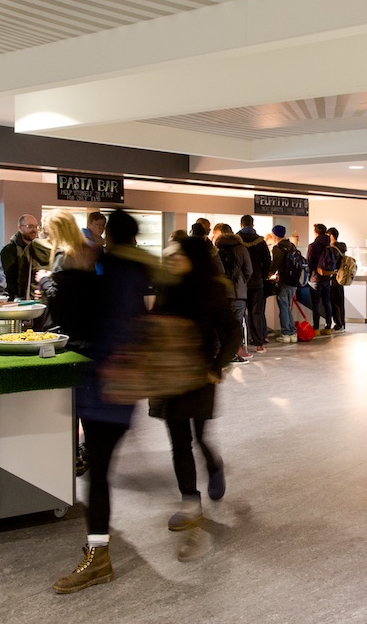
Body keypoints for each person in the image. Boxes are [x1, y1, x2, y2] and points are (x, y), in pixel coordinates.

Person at [52, 210, 153, 594]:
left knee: (97, 476)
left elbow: (79, 321)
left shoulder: (110, 273)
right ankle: (98, 548)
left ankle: (99, 557)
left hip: (105, 386)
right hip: (116, 386)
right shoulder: (132, 272)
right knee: (97, 472)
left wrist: (71, 276)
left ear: (109, 235)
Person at [150, 236, 240, 562]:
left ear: (193, 259)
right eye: (170, 256)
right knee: (179, 442)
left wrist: (218, 366)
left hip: (200, 376)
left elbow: (233, 332)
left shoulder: (210, 291)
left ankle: (214, 465)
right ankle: (190, 501)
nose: (172, 260)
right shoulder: (166, 287)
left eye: (179, 256)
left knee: (199, 436)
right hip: (169, 375)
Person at [36, 209, 100, 338]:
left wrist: (44, 280)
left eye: (48, 233)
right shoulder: (87, 252)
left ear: (59, 232)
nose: (48, 238)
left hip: (62, 328)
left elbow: (57, 296)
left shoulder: (64, 256)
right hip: (84, 327)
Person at [214, 223, 253, 362]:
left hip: (222, 292)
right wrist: (242, 281)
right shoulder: (241, 248)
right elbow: (249, 270)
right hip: (238, 292)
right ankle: (236, 351)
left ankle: (219, 350)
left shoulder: (216, 248)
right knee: (236, 323)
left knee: (220, 323)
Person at [237, 215, 271, 353]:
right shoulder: (260, 242)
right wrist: (263, 276)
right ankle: (259, 344)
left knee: (240, 314)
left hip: (241, 283)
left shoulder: (237, 241)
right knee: (256, 313)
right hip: (257, 283)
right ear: (253, 224)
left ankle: (240, 345)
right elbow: (267, 262)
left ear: (241, 224)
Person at [0, 213, 43, 299]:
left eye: (36, 226)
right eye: (30, 226)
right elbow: (10, 279)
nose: (34, 230)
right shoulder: (10, 250)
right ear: (20, 228)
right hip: (17, 298)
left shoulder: (39, 249)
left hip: (35, 296)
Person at [269, 225, 299, 343]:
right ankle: (292, 332)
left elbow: (275, 265)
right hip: (293, 282)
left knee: (283, 308)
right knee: (287, 307)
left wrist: (269, 274)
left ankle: (286, 333)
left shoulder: (278, 248)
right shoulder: (292, 246)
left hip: (284, 281)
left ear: (275, 235)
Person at [306, 223, 335, 336]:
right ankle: (328, 327)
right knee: (327, 302)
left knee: (316, 304)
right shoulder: (329, 246)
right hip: (326, 277)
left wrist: (308, 276)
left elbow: (309, 263)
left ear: (316, 232)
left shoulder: (313, 246)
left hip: (315, 278)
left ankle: (316, 328)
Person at [333, 240, 357, 331]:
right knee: (340, 303)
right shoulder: (344, 258)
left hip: (335, 280)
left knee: (336, 303)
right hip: (341, 281)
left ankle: (339, 323)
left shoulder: (336, 255)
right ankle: (342, 322)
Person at [327, 227, 347, 331]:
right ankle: (342, 322)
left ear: (331, 235)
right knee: (340, 301)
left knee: (334, 301)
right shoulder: (342, 247)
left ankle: (338, 322)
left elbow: (331, 263)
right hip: (341, 276)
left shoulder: (332, 249)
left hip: (334, 277)